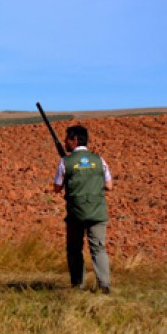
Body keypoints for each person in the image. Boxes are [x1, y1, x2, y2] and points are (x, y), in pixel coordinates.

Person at [53, 125, 113, 294]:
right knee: (98, 249)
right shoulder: (99, 160)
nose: (64, 142)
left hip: (75, 214)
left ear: (74, 140)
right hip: (98, 213)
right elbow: (109, 185)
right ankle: (104, 285)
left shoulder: (65, 162)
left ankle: (77, 285)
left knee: (74, 249)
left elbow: (57, 188)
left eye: (67, 139)